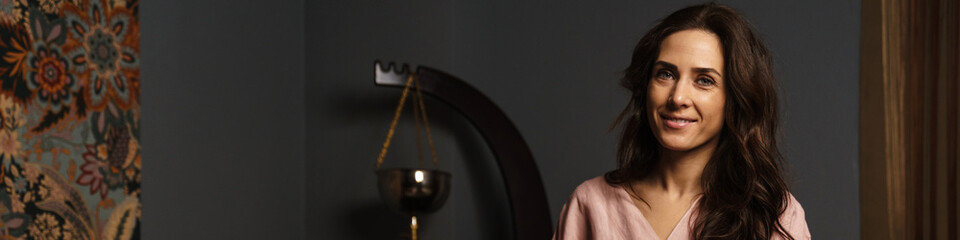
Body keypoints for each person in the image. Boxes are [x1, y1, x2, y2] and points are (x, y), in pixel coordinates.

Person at [553, 3, 811, 240]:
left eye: (704, 80)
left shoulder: (775, 215)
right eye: (665, 74)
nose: (677, 97)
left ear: (734, 98)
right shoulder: (591, 204)